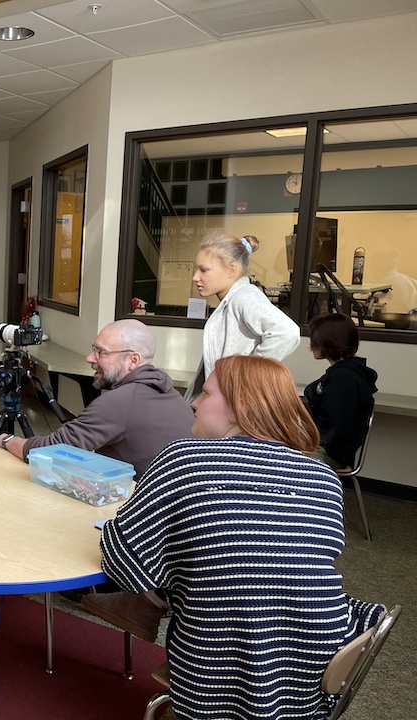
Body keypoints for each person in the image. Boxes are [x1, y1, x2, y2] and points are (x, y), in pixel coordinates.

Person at [97, 355, 384, 720]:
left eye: (205, 393)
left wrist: (122, 520)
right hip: (316, 659)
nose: (193, 403)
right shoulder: (323, 477)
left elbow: (122, 567)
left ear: (241, 407)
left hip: (220, 665)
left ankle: (148, 607)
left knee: (182, 559)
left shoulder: (183, 459)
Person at [0, 319, 195, 480]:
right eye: (93, 349)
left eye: (101, 352)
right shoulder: (173, 396)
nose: (90, 358)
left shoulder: (119, 402)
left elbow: (53, 450)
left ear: (133, 360)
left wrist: (8, 440)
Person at [188, 233, 300, 395]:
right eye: (196, 270)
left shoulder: (244, 297)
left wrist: (246, 376)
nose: (195, 277)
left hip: (232, 401)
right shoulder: (235, 298)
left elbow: (287, 332)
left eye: (204, 270)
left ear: (231, 270)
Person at [305, 313, 378, 469]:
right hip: (328, 447)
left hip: (329, 453)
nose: (311, 346)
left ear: (328, 342)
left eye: (314, 340)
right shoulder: (347, 374)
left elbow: (333, 430)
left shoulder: (344, 380)